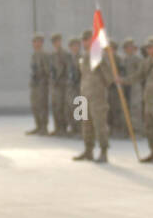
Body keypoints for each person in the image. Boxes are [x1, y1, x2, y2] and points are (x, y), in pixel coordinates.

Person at [74, 28, 115, 163]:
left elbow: (108, 76)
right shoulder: (83, 56)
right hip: (83, 95)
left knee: (99, 124)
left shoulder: (98, 55)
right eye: (83, 40)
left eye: (87, 40)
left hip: (97, 96)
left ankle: (103, 152)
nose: (85, 42)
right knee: (85, 123)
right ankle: (88, 150)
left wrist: (100, 87)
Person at [27, 33, 50, 135]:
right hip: (35, 84)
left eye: (38, 42)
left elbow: (47, 70)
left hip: (42, 84)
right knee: (35, 105)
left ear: (42, 43)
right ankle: (38, 125)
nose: (36, 44)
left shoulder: (44, 55)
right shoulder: (34, 55)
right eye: (35, 42)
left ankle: (44, 127)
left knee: (42, 105)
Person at [48, 34, 70, 137]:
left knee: (63, 107)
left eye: (58, 41)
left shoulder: (65, 54)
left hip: (62, 85)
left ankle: (63, 128)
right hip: (54, 85)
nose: (56, 43)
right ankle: (57, 128)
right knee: (55, 106)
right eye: (54, 42)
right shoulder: (52, 55)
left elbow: (67, 69)